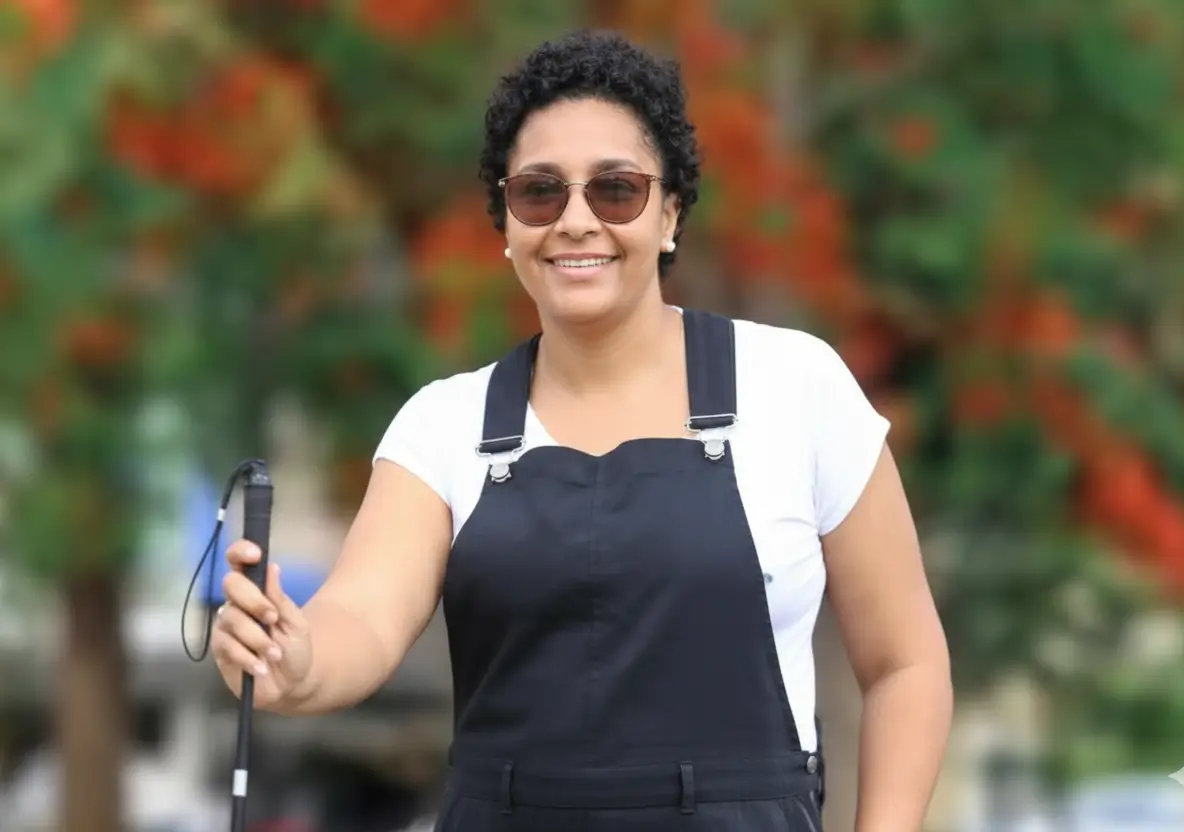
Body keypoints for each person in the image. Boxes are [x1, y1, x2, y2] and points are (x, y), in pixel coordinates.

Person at [210, 29, 952, 831]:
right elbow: (360, 620)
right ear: (506, 223)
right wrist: (292, 654)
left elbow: (905, 663)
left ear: (669, 213)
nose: (575, 220)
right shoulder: (443, 426)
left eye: (616, 190)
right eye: (539, 192)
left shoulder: (796, 389)